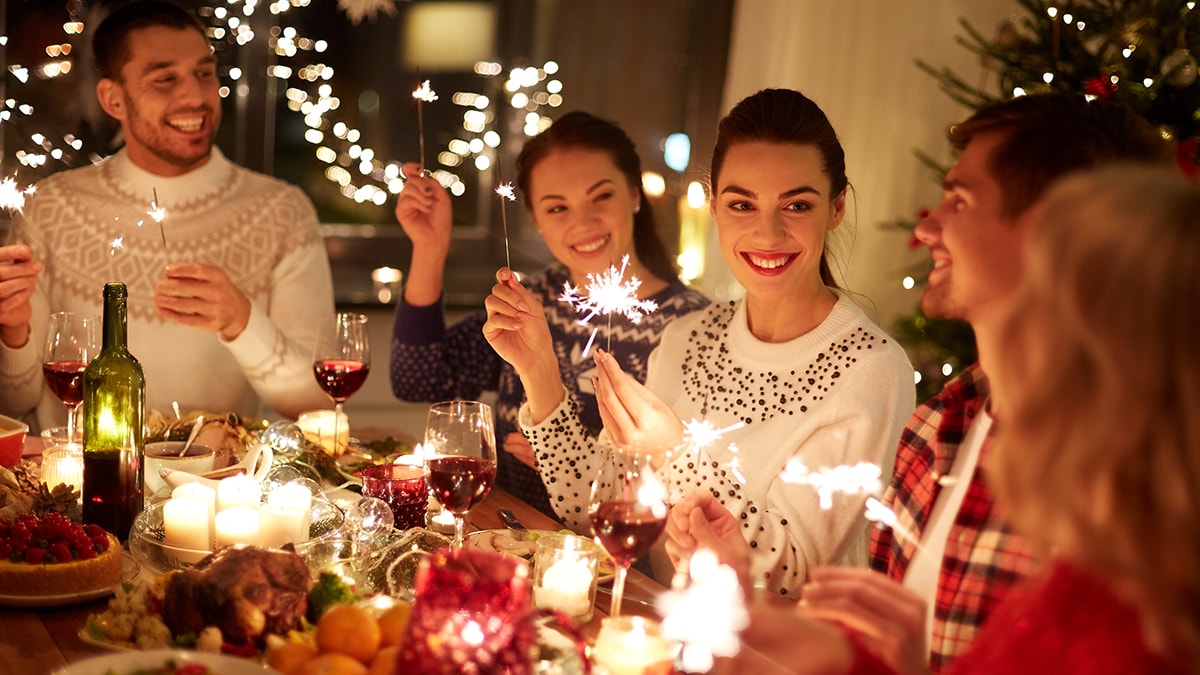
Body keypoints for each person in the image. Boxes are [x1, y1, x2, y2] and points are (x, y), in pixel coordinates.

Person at [667, 93, 1175, 670]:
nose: (927, 225)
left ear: (1056, 230)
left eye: (959, 200)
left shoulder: (1137, 483)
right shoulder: (938, 430)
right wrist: (745, 585)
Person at [484, 88, 916, 597]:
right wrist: (539, 374)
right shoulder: (691, 334)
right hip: (663, 632)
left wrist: (674, 454)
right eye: (742, 204)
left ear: (837, 206)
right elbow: (595, 505)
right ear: (714, 206)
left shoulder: (869, 367)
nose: (768, 232)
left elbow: (790, 579)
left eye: (797, 204)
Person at [0, 0, 333, 427]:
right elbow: (15, 402)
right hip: (76, 488)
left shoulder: (280, 212)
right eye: (164, 79)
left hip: (219, 487)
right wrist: (13, 332)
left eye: (204, 74)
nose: (194, 96)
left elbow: (317, 402)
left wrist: (241, 322)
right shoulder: (49, 206)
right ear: (113, 99)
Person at [389, 111, 709, 517]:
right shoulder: (530, 299)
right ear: (536, 220)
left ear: (634, 195)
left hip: (613, 563)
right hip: (507, 537)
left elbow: (689, 484)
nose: (583, 221)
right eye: (557, 208)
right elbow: (417, 379)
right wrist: (430, 248)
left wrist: (567, 457)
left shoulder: (692, 327)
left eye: (602, 196)